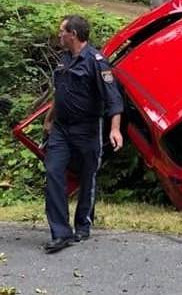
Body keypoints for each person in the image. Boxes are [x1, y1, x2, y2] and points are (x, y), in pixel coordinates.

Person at [42, 15, 124, 254]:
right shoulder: (64, 59)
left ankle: (83, 224)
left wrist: (116, 129)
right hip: (62, 129)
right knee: (53, 171)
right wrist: (49, 120)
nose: (59, 35)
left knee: (88, 176)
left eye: (62, 31)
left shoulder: (97, 62)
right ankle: (60, 233)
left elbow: (113, 98)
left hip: (87, 129)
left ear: (73, 35)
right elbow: (60, 93)